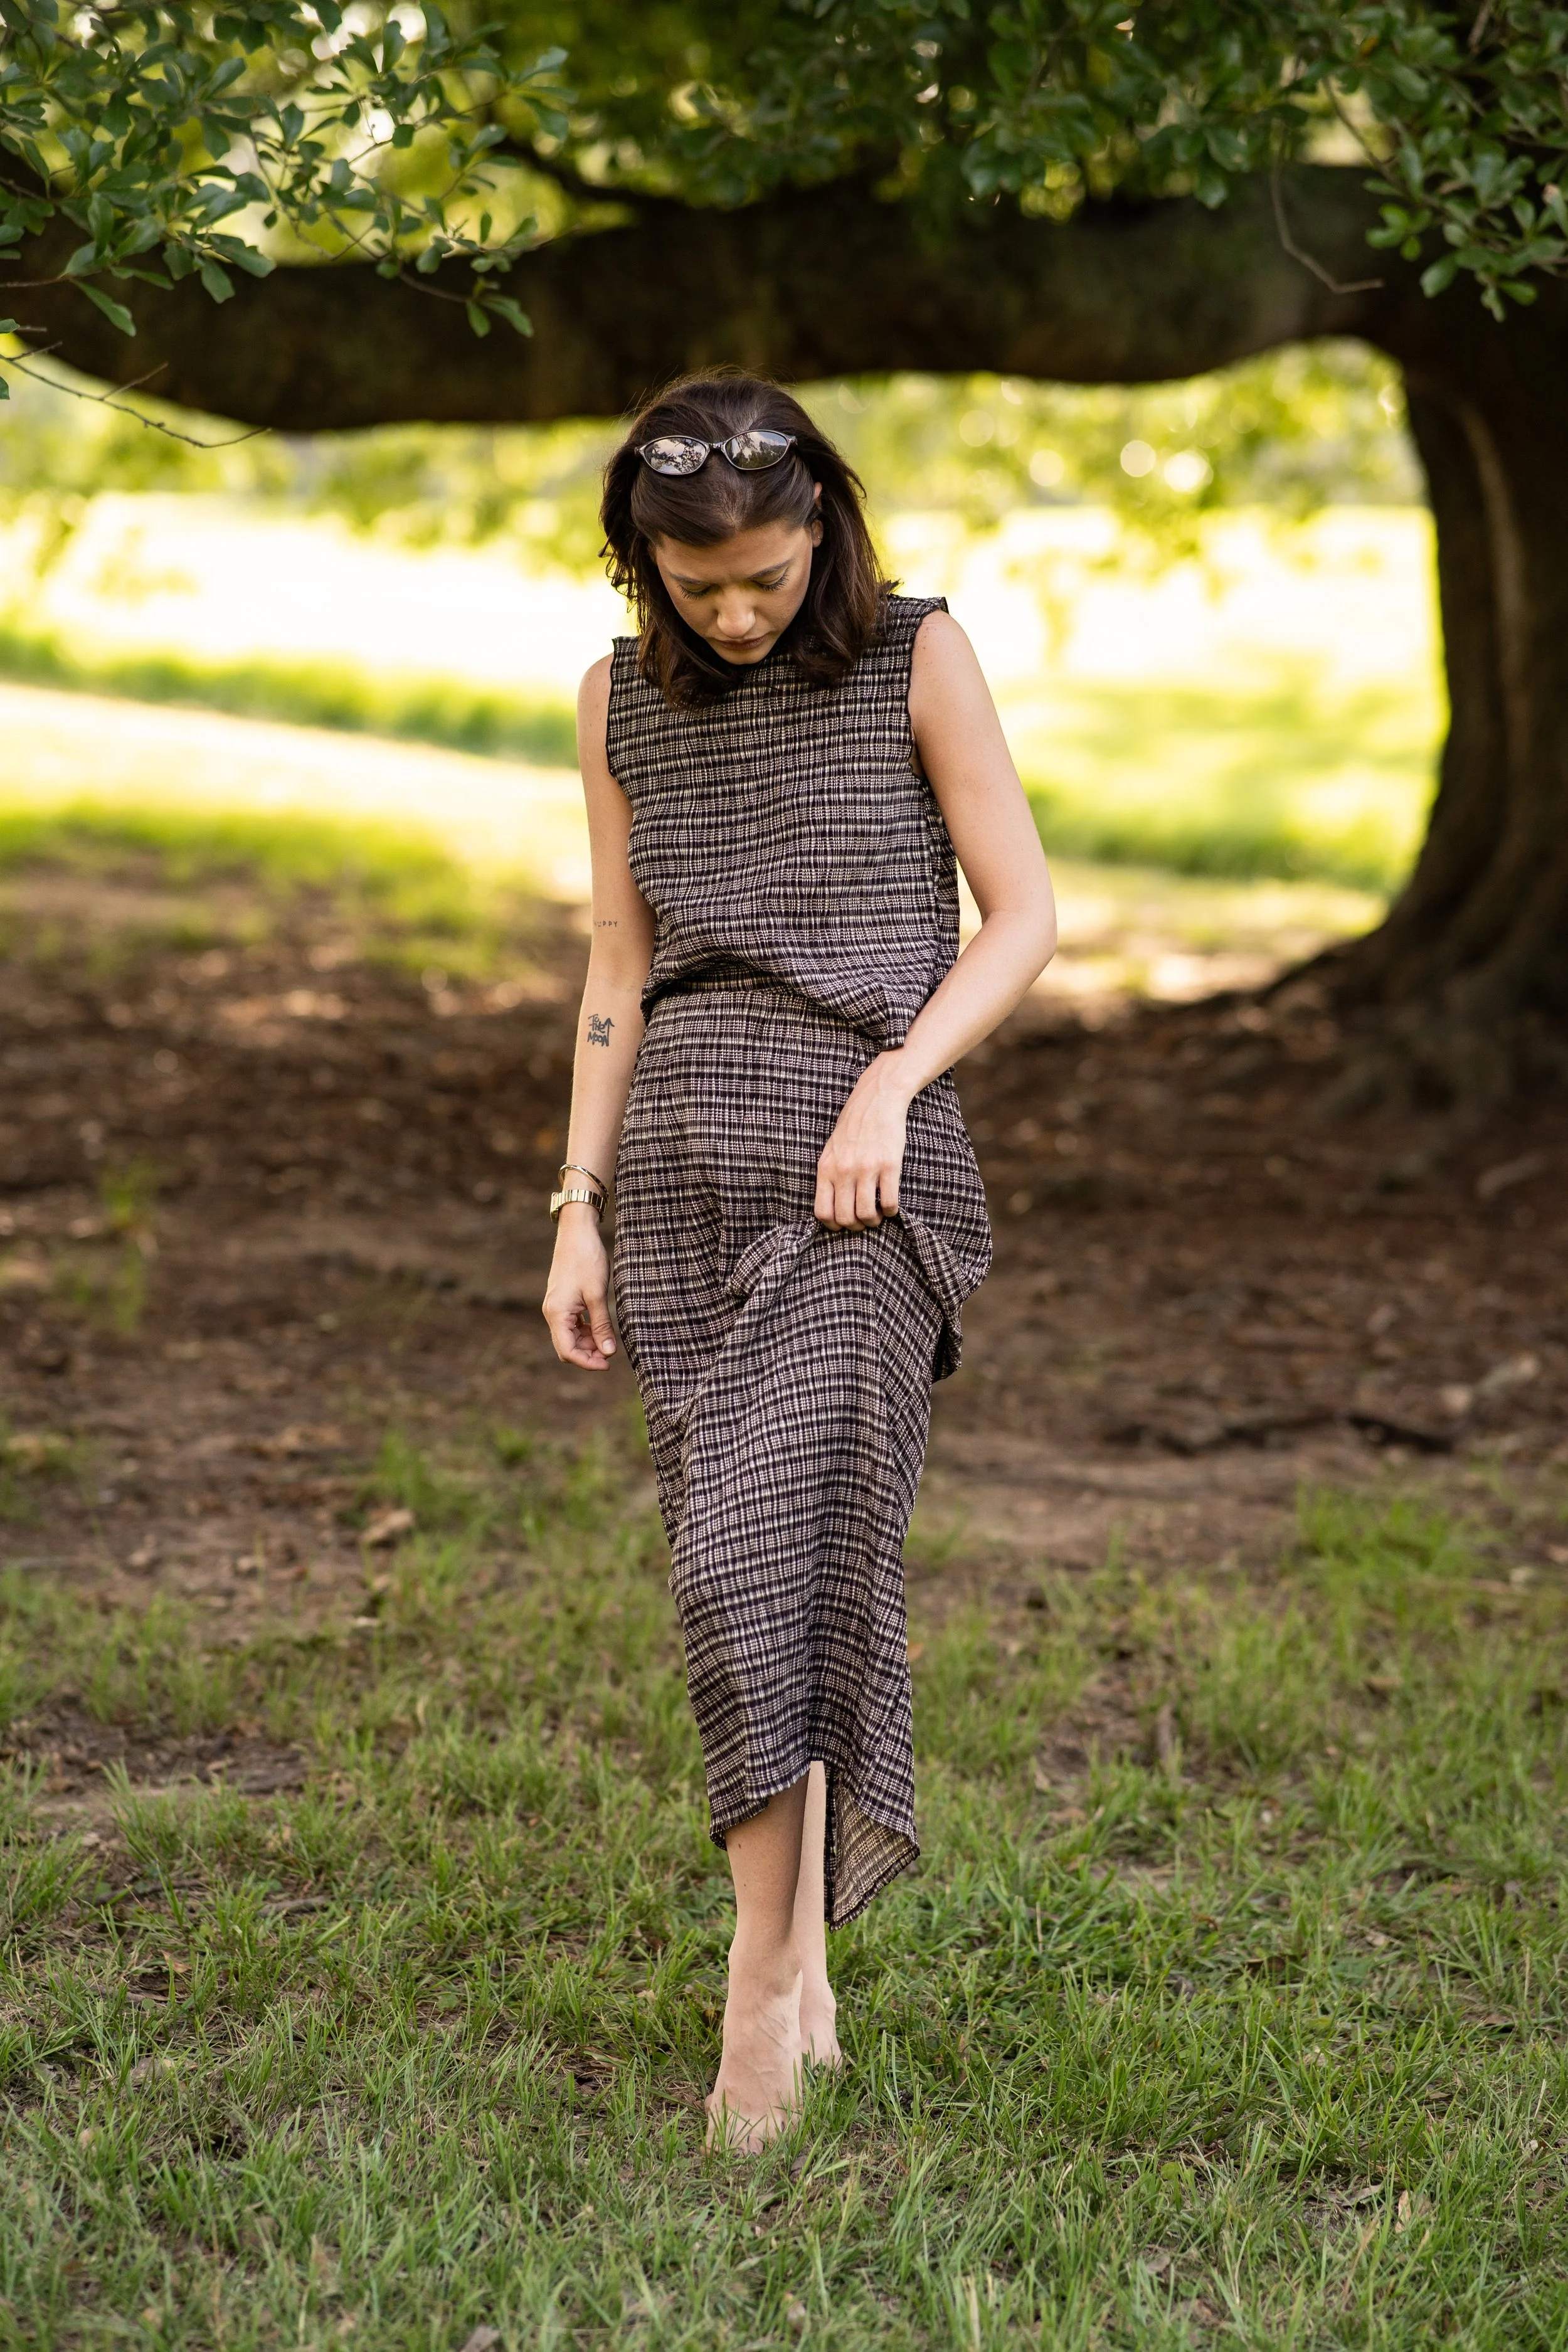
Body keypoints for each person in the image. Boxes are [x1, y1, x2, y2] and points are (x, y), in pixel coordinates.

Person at [543, 372, 1057, 2149]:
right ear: (645, 564)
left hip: (864, 1177)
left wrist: (896, 1081)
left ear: (821, 526)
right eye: (703, 590)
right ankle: (806, 1959)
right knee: (750, 1564)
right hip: (679, 1169)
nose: (743, 612)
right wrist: (575, 1199)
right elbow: (618, 960)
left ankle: (762, 1977)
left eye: (768, 574)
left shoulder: (915, 655)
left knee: (792, 1523)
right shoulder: (614, 702)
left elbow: (1025, 917)